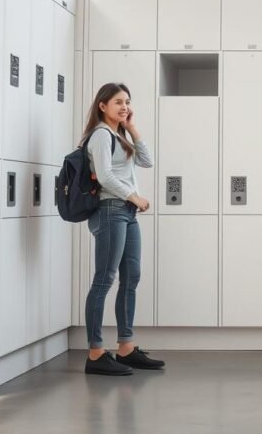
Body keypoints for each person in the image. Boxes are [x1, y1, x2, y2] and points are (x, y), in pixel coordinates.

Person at [81, 82, 163, 376]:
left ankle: (126, 347)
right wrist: (133, 196)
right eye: (117, 102)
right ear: (102, 105)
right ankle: (95, 353)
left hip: (126, 213)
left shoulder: (118, 134)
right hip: (110, 211)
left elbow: (148, 161)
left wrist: (133, 128)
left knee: (131, 277)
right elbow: (104, 177)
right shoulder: (101, 135)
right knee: (104, 280)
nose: (124, 106)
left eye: (127, 101)